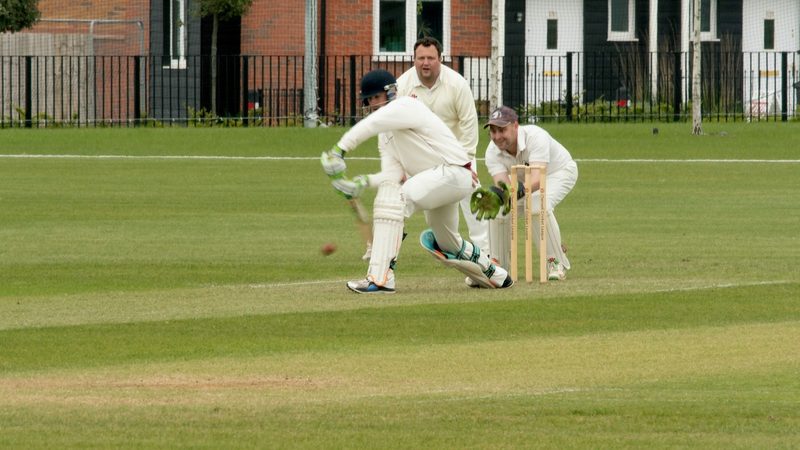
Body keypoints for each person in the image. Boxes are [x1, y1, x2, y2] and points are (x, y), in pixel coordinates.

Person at [320, 69, 513, 293]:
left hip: (454, 173)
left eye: (376, 97)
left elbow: (371, 124)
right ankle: (496, 275)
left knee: (394, 199)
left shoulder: (406, 105)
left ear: (391, 93)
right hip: (437, 182)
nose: (373, 103)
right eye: (369, 99)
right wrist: (361, 183)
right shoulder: (386, 135)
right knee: (447, 243)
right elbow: (392, 174)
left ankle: (380, 278)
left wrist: (339, 150)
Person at [471, 106, 577, 281]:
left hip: (559, 172)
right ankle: (498, 268)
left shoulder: (536, 137)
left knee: (535, 203)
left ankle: (555, 262)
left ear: (515, 125)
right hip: (526, 183)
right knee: (499, 209)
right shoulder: (492, 151)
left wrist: (515, 191)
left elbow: (537, 179)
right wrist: (499, 197)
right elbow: (505, 187)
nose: (497, 136)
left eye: (502, 130)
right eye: (493, 131)